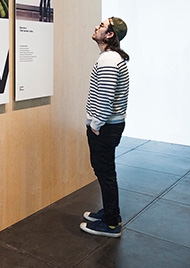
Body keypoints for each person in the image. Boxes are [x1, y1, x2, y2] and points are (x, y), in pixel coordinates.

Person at [80, 17, 129, 238]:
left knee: (105, 172)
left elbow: (106, 98)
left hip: (105, 127)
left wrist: (96, 124)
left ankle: (110, 223)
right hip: (110, 126)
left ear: (110, 35)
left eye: (102, 26)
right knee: (106, 171)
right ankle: (110, 213)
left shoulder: (109, 60)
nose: (96, 27)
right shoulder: (112, 57)